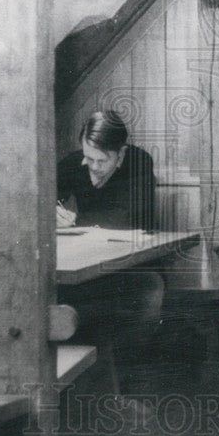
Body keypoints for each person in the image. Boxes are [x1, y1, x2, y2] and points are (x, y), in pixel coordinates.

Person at [55, 111, 163, 398]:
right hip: (86, 264)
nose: (93, 167)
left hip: (135, 265)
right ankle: (91, 388)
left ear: (121, 154)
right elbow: (41, 197)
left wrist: (79, 222)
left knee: (148, 294)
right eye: (88, 158)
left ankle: (122, 386)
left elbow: (134, 219)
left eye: (102, 161)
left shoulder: (140, 163)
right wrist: (52, 213)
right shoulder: (74, 163)